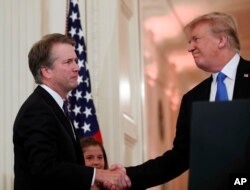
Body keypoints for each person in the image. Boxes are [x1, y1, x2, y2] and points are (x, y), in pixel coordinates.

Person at [123, 12, 250, 189]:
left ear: (221, 40)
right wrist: (127, 176)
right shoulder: (193, 98)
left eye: (195, 39)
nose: (190, 47)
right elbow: (179, 158)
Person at [13, 33, 131, 190]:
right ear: (46, 71)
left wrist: (100, 178)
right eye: (68, 62)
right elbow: (44, 167)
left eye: (75, 60)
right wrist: (98, 174)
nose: (77, 67)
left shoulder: (55, 107)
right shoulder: (37, 110)